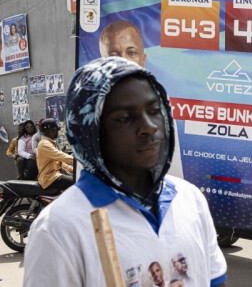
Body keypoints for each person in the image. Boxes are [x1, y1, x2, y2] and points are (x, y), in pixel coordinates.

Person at [24, 57, 227, 287]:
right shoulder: (58, 229)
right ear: (88, 131)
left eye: (154, 110)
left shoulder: (190, 200)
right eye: (124, 118)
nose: (149, 126)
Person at [36, 119, 74, 190]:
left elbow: (60, 163)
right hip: (50, 178)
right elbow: (61, 155)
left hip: (56, 175)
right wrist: (78, 161)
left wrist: (73, 169)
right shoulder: (45, 144)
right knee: (76, 183)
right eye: (57, 130)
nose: (58, 132)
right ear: (52, 130)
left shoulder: (50, 143)